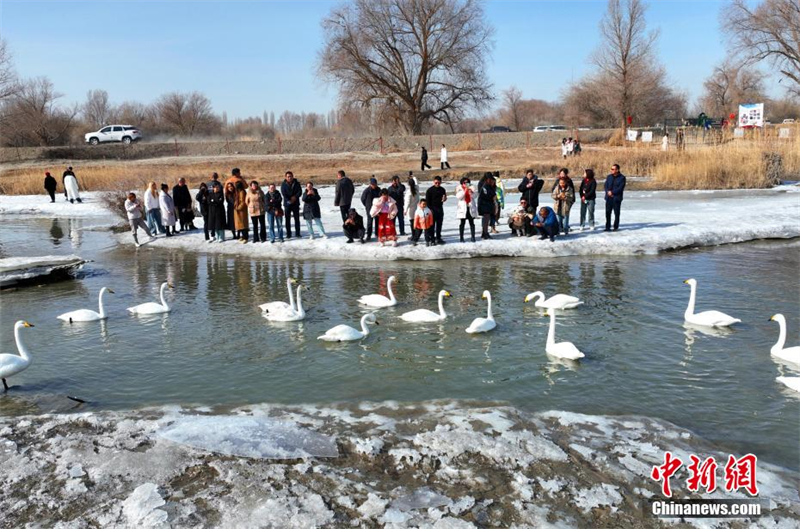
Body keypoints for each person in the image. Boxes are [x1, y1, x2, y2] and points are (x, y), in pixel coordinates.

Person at [425, 175, 447, 244]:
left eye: (439, 183)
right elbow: (427, 202)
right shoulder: (429, 190)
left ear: (441, 182)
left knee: (439, 224)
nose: (437, 184)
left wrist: (444, 199)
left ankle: (438, 238)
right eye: (436, 183)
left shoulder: (442, 189)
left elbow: (444, 198)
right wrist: (430, 210)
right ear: (433, 182)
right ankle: (432, 238)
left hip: (440, 208)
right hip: (432, 209)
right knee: (432, 225)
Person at [604, 163, 626, 231]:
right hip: (609, 198)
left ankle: (615, 227)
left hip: (616, 198)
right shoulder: (609, 177)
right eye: (611, 169)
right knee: (608, 213)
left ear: (617, 170)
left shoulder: (622, 178)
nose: (612, 170)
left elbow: (620, 188)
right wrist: (608, 191)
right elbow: (606, 185)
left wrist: (612, 192)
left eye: (613, 169)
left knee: (616, 213)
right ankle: (607, 227)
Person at [281, 171, 302, 239]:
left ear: (293, 176)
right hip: (287, 204)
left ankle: (298, 233)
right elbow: (283, 193)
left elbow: (300, 192)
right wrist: (289, 200)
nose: (289, 177)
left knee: (297, 219)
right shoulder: (283, 184)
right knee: (287, 219)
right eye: (288, 176)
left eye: (290, 176)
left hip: (295, 203)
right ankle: (288, 234)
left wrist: (295, 197)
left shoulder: (297, 183)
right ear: (286, 177)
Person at [455, 177, 477, 243]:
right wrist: (464, 191)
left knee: (472, 223)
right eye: (465, 183)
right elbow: (458, 197)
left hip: (470, 207)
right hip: (462, 208)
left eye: (467, 183)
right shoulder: (459, 188)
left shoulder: (472, 188)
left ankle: (473, 237)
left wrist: (471, 193)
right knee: (462, 223)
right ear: (462, 183)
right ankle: (461, 237)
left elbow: (476, 196)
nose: (466, 184)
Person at [360, 177, 381, 241]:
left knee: (377, 221)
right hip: (369, 208)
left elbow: (381, 198)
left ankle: (377, 234)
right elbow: (362, 199)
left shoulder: (379, 190)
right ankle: (369, 235)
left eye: (375, 184)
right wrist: (367, 205)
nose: (374, 185)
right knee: (370, 222)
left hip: (377, 209)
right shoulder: (366, 191)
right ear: (370, 184)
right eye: (373, 184)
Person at [477, 172, 496, 239]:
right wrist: (493, 196)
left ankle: (484, 233)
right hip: (484, 204)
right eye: (489, 179)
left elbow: (493, 192)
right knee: (486, 219)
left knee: (487, 219)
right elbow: (485, 195)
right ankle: (485, 233)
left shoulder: (489, 185)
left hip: (487, 204)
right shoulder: (484, 185)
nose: (490, 180)